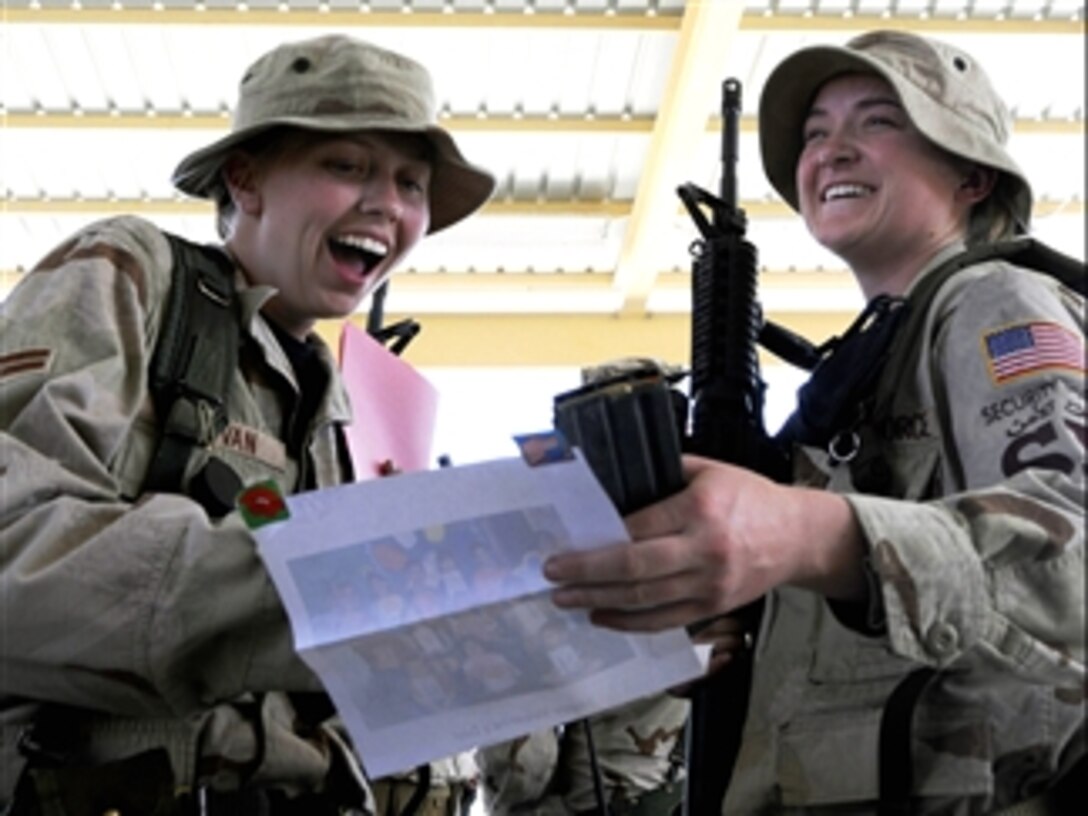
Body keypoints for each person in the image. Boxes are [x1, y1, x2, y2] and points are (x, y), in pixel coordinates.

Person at [541, 30, 1085, 814]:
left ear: (971, 174)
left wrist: (801, 535)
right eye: (816, 133)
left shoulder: (996, 302)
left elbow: (1071, 562)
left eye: (877, 122)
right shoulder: (866, 364)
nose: (833, 151)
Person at [0, 34, 493, 812]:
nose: (387, 206)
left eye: (411, 183)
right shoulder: (134, 276)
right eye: (347, 166)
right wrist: (329, 582)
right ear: (246, 178)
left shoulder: (337, 417)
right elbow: (11, 562)